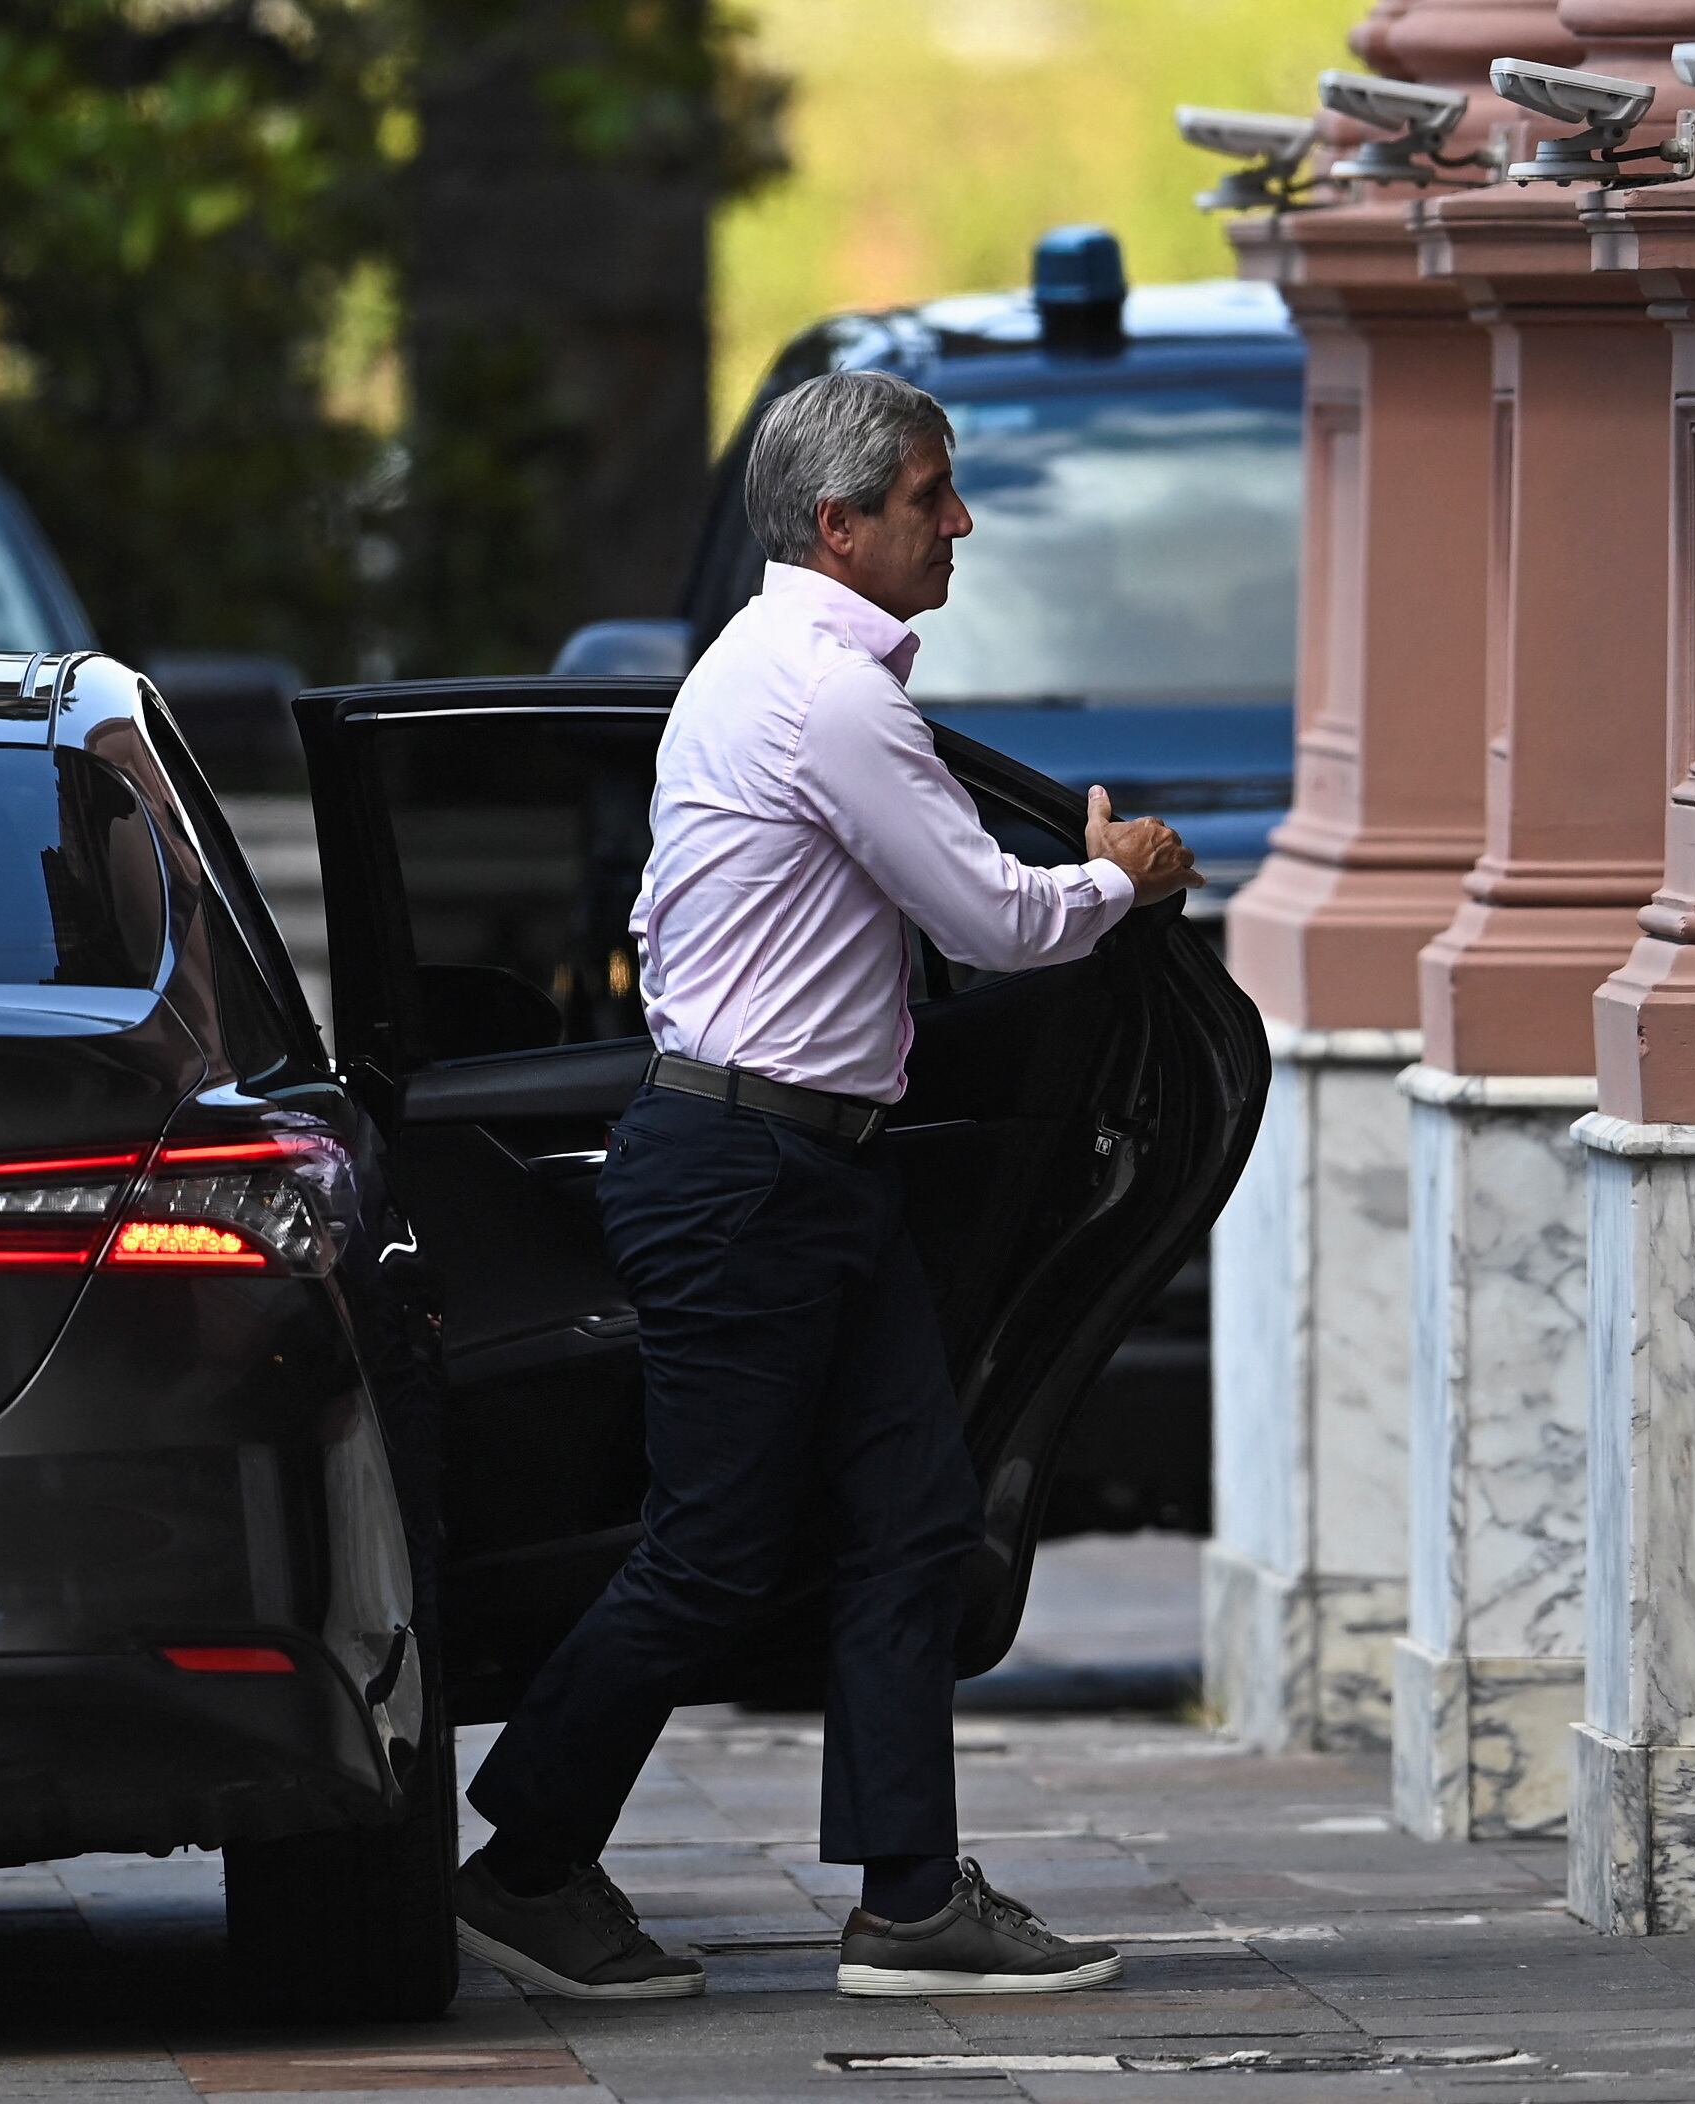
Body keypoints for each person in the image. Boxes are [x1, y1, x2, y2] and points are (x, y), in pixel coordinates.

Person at [450, 370, 1200, 2001]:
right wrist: (1115, 880)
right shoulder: (827, 696)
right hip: (748, 1171)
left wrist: (1051, 887)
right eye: (933, 497)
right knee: (715, 1550)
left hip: (803, 1166)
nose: (962, 523)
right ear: (839, 525)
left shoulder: (772, 668)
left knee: (912, 1521)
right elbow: (991, 924)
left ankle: (911, 1903)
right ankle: (526, 1862)